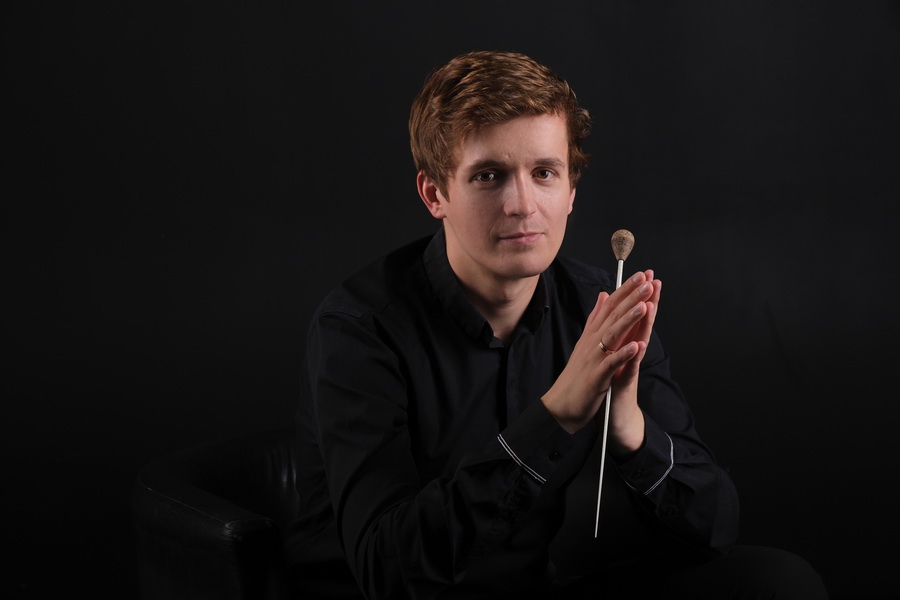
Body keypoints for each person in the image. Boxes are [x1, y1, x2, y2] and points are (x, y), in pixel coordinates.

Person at [285, 50, 828, 599]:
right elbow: (387, 570)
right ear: (435, 194)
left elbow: (713, 531)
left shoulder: (598, 306)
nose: (522, 205)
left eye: (544, 173)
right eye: (489, 176)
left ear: (570, 191)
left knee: (779, 584)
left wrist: (630, 430)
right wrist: (555, 416)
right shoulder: (358, 329)